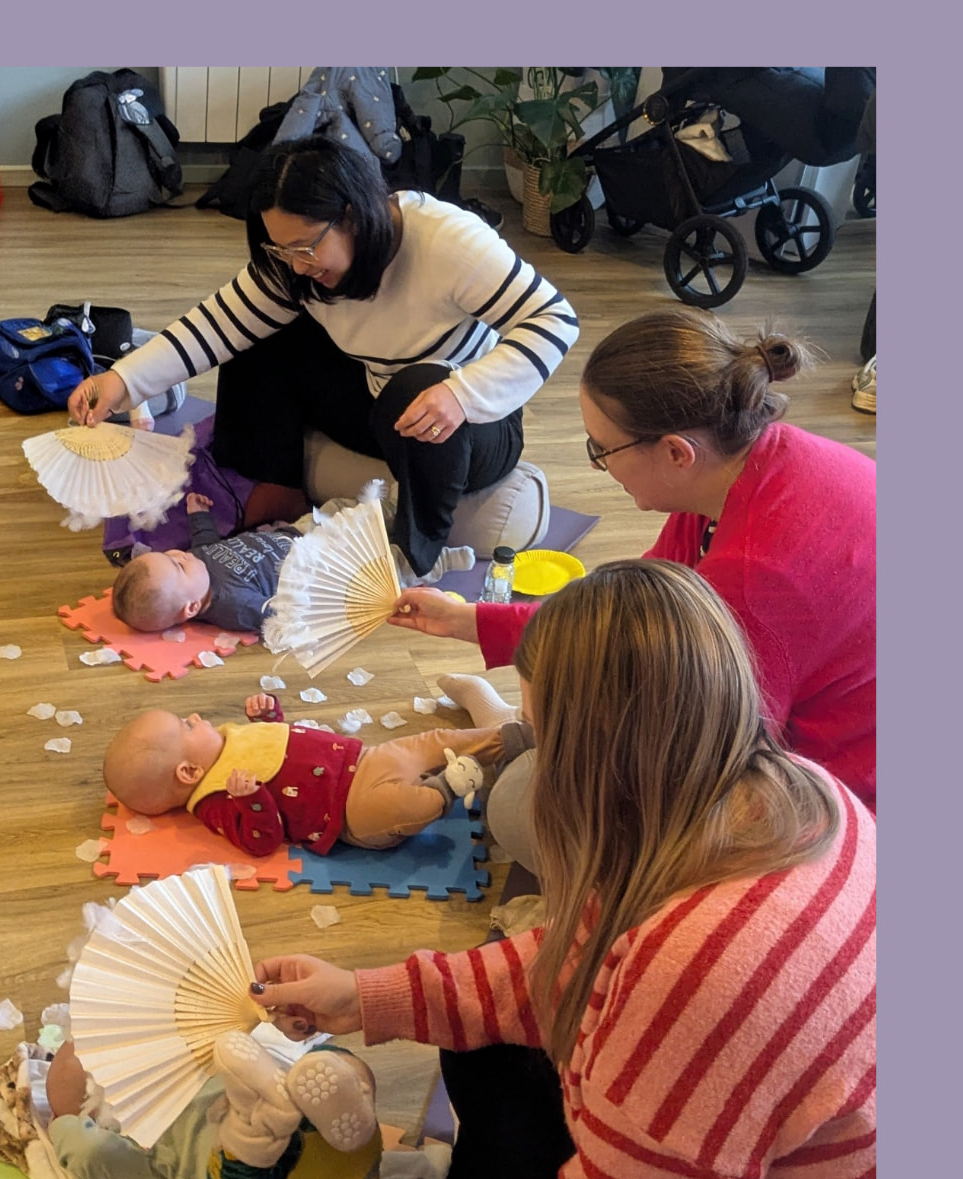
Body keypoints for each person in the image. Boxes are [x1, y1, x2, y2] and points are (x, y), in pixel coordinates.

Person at [246, 560, 877, 1179]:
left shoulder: (701, 975)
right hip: (748, 1166)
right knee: (484, 1052)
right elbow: (571, 956)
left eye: (543, 740)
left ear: (595, 758)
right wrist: (364, 995)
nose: (538, 769)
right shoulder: (792, 793)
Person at [391, 309, 877, 826]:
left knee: (520, 810)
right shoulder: (748, 464)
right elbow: (628, 618)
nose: (596, 464)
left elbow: (716, 765)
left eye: (601, 449)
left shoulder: (755, 578)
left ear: (675, 453)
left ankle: (518, 734)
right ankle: (517, 730)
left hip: (827, 797)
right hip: (789, 726)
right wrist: (468, 621)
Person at [66, 135, 579, 580]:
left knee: (417, 386)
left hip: (469, 427)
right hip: (381, 408)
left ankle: (410, 556)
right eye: (281, 250)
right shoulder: (295, 266)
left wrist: (461, 395)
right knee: (258, 333)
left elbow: (556, 320)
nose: (295, 263)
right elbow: (218, 325)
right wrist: (120, 381)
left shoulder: (449, 241)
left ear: (351, 216)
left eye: (305, 248)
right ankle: (279, 488)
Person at [45, 1033, 385, 1179]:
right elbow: (90, 1149)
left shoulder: (134, 1137)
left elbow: (86, 1152)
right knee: (318, 1063)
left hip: (327, 1161)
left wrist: (60, 1127)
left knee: (314, 1068)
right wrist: (64, 1127)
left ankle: (319, 1092)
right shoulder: (134, 1133)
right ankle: (341, 1084)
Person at [102, 692, 531, 856]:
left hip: (365, 760)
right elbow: (261, 842)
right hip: (349, 814)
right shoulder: (215, 799)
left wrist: (271, 714)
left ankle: (511, 737)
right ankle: (447, 788)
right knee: (399, 808)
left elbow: (286, 742)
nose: (195, 714)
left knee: (433, 740)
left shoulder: (234, 737)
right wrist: (251, 798)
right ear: (189, 771)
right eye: (186, 726)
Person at [111, 492, 300, 634]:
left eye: (168, 555)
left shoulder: (197, 566)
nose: (180, 555)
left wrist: (199, 515)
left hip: (290, 532)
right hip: (317, 560)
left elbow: (206, 543)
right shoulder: (235, 605)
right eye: (179, 566)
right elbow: (280, 613)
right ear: (192, 607)